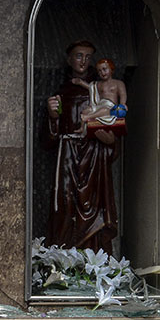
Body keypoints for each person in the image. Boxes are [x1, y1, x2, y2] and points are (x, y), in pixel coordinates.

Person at [43, 43, 120, 253]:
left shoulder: (100, 90)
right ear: (69, 59)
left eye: (88, 57)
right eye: (78, 56)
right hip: (68, 154)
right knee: (65, 204)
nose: (83, 61)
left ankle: (93, 260)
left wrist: (108, 139)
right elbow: (48, 141)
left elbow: (113, 129)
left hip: (94, 155)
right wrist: (53, 117)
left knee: (94, 206)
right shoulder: (61, 92)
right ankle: (63, 258)